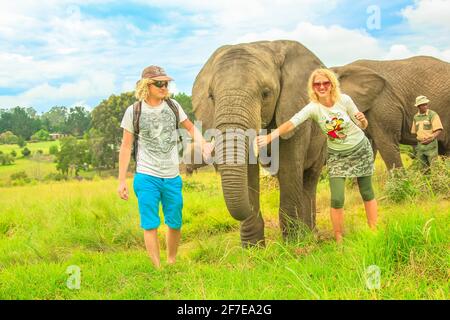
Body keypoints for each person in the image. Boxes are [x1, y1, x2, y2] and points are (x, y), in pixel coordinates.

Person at [257, 68, 377, 243]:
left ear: (332, 84)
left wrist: (363, 120)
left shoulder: (344, 100)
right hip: (337, 154)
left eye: (325, 83)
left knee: (366, 192)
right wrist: (270, 136)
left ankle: (374, 232)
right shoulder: (313, 108)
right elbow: (292, 123)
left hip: (359, 149)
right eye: (317, 84)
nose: (322, 86)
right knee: (337, 198)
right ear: (313, 87)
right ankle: (338, 239)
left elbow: (362, 125)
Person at [117, 65, 213, 268]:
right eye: (159, 83)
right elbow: (126, 147)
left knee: (175, 222)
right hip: (146, 176)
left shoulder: (173, 106)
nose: (164, 87)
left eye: (166, 83)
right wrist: (121, 180)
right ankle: (157, 268)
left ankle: (171, 261)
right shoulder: (134, 111)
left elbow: (189, 128)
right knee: (150, 224)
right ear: (147, 85)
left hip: (171, 176)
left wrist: (204, 144)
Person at [411, 95, 443, 171]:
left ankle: (436, 182)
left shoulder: (432, 115)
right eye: (423, 105)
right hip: (420, 145)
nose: (425, 106)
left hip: (431, 145)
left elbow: (439, 129)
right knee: (423, 169)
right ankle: (426, 182)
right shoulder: (415, 117)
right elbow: (414, 132)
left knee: (434, 167)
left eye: (426, 104)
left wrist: (432, 137)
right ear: (418, 106)